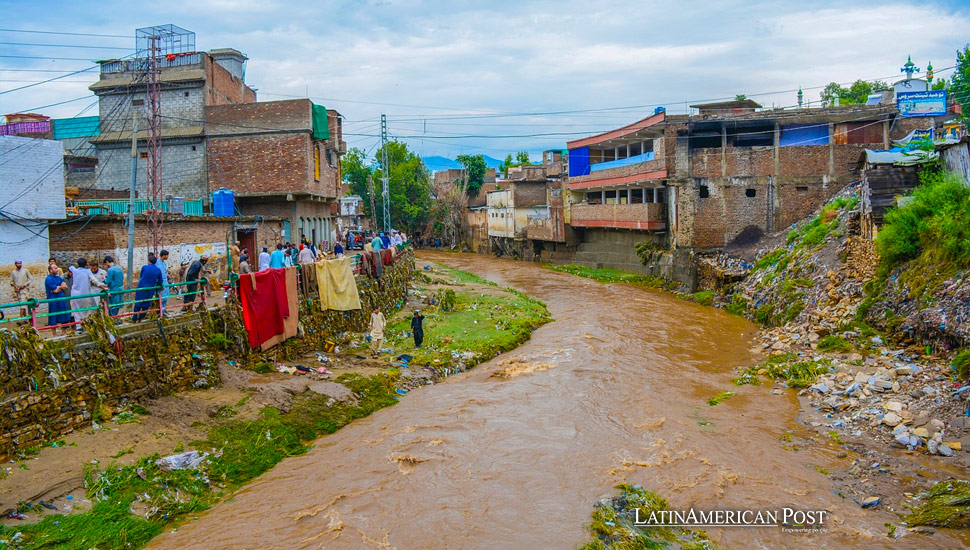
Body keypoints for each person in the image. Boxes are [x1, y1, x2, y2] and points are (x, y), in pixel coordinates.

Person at [68, 258, 105, 330]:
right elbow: (95, 281)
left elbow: (69, 267)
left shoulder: (75, 270)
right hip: (85, 294)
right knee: (86, 311)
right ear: (86, 265)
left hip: (75, 295)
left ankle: (78, 328)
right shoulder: (88, 272)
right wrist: (103, 286)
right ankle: (86, 326)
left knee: (76, 311)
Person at [133, 253, 162, 322]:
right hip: (150, 289)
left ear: (149, 261)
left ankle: (134, 318)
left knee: (138, 303)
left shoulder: (144, 267)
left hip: (141, 287)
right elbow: (160, 281)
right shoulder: (158, 270)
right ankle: (140, 318)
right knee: (146, 304)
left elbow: (141, 276)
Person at [44, 263, 70, 334]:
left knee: (64, 316)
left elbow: (65, 286)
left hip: (61, 299)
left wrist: (60, 287)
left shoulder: (59, 277)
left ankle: (64, 332)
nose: (57, 269)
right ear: (50, 270)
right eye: (55, 268)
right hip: (53, 300)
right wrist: (60, 287)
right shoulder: (48, 279)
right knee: (53, 317)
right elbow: (55, 290)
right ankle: (54, 334)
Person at [155, 249, 170, 317]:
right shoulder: (157, 263)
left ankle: (163, 311)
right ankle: (160, 312)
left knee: (165, 298)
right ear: (163, 255)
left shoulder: (164, 263)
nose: (167, 257)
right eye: (166, 255)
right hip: (161, 282)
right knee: (161, 298)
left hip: (165, 281)